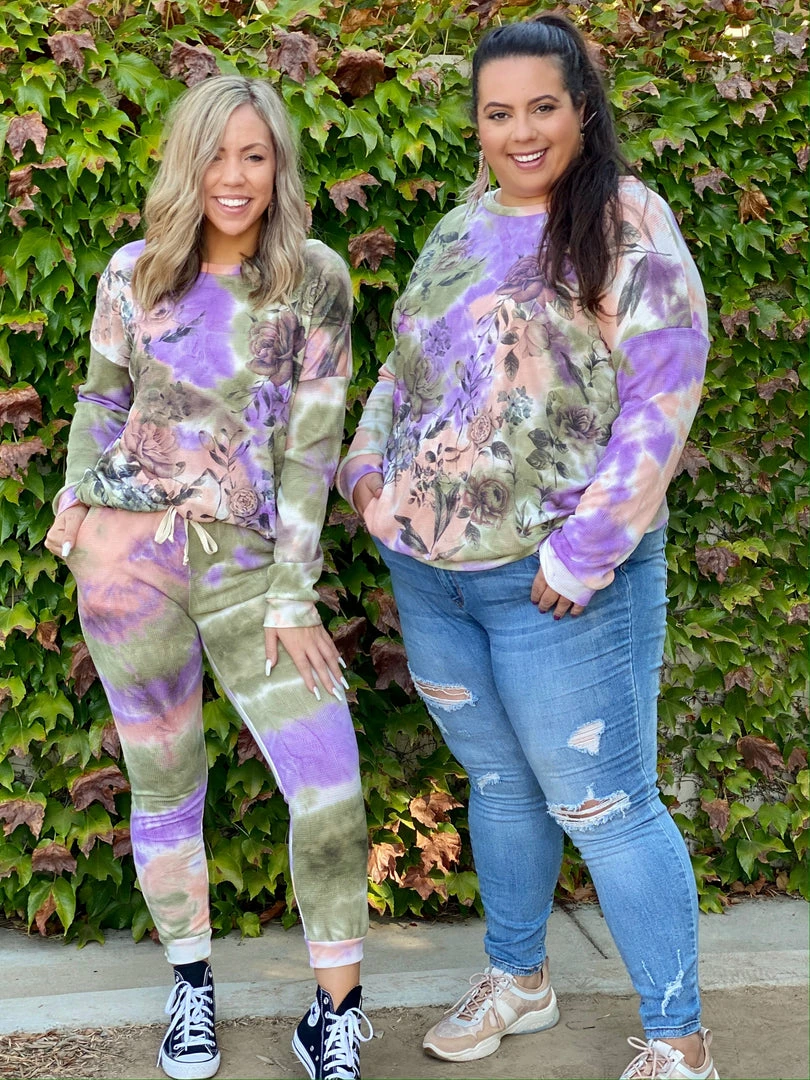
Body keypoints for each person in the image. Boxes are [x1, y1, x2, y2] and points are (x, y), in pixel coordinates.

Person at [338, 13, 716, 1080]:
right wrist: (366, 476)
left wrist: (580, 554)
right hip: (435, 580)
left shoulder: (629, 225)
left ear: (581, 110)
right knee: (502, 786)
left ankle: (680, 1039)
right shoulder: (461, 225)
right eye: (498, 112)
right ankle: (520, 979)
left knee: (607, 806)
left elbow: (664, 396)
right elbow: (404, 368)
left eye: (542, 107)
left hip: (560, 587)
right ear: (477, 124)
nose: (522, 131)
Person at [45, 76, 373, 1080]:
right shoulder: (133, 272)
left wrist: (293, 592)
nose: (234, 177)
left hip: (249, 570)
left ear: (279, 167)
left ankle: (335, 1012)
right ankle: (190, 988)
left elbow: (313, 449)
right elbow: (100, 401)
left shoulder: (314, 280)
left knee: (329, 785)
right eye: (215, 155)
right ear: (186, 166)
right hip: (127, 565)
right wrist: (76, 511)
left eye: (254, 155)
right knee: (164, 784)